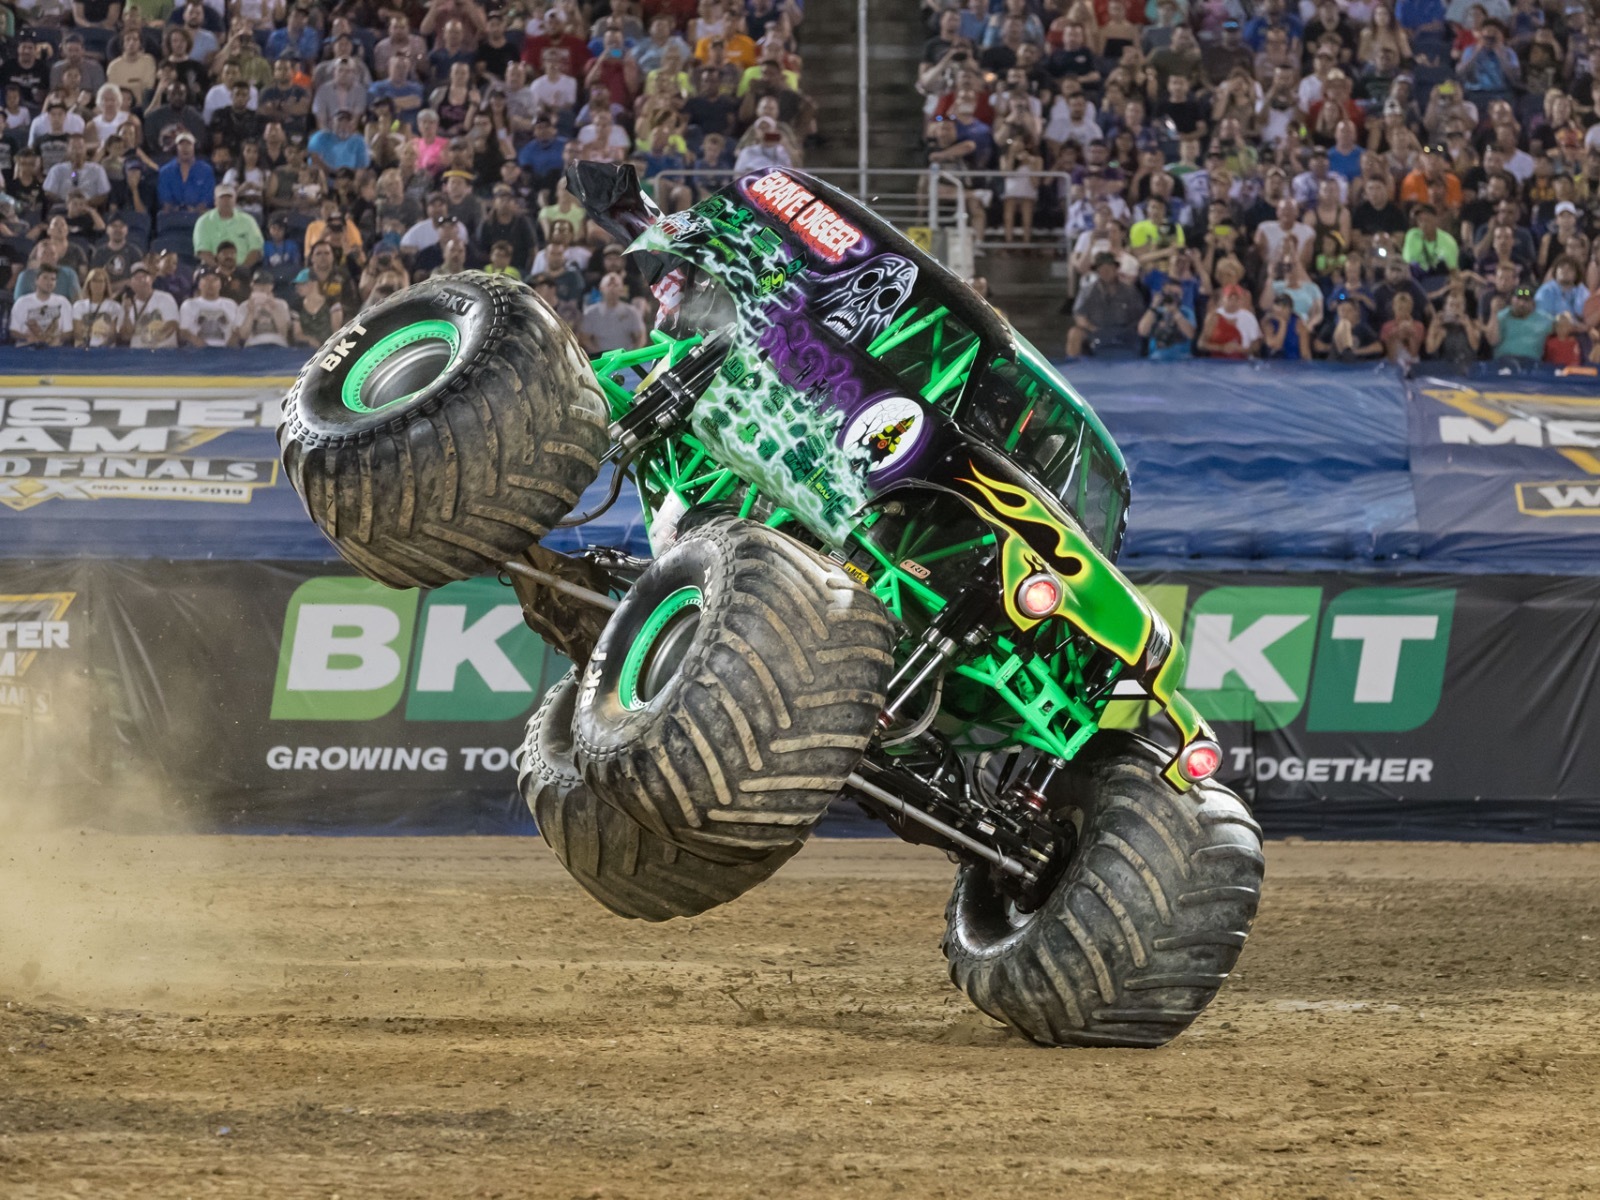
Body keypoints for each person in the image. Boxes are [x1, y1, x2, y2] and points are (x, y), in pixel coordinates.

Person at [1067, 251, 1146, 356]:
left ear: (1115, 269)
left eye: (1109, 267)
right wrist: (1093, 329)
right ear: (1097, 271)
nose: (1106, 271)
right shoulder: (1087, 291)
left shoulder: (1130, 291)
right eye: (1102, 268)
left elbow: (1140, 317)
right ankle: (1073, 366)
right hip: (1096, 332)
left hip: (1123, 333)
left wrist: (1126, 331)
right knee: (1074, 333)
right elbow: (1079, 315)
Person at [193, 182, 264, 269]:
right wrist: (220, 270)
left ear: (235, 200)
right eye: (222, 198)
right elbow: (203, 252)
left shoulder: (248, 220)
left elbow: (256, 250)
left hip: (243, 270)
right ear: (215, 201)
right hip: (213, 270)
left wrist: (241, 270)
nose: (226, 201)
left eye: (229, 197)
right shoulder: (203, 221)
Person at [579, 271, 648, 353]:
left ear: (622, 289)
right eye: (609, 285)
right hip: (602, 361)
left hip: (626, 359)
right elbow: (584, 338)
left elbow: (641, 337)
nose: (612, 288)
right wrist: (599, 355)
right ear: (601, 288)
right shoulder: (590, 313)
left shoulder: (632, 312)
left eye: (616, 285)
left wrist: (631, 355)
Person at [10, 265, 75, 346]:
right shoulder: (22, 302)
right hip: (26, 350)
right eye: (45, 278)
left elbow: (68, 332)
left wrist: (54, 338)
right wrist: (28, 338)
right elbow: (13, 331)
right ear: (36, 280)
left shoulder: (63, 302)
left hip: (54, 351)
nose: (49, 282)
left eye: (53, 279)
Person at [122, 263, 181, 349]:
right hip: (138, 355)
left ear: (151, 280)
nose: (142, 281)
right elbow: (125, 336)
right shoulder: (127, 304)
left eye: (145, 277)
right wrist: (126, 313)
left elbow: (172, 325)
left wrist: (152, 341)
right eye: (137, 278)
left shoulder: (165, 298)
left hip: (163, 353)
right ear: (131, 283)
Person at [1487, 283, 1554, 359]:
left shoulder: (1545, 319)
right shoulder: (1501, 316)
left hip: (1533, 364)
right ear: (1512, 300)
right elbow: (1492, 341)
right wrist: (1494, 312)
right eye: (1518, 299)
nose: (1521, 303)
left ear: (1533, 303)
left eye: (1526, 300)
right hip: (1504, 362)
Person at [1137, 277, 1196, 360]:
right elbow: (1142, 331)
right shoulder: (1155, 312)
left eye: (1176, 294)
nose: (1173, 297)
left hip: (1182, 360)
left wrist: (1176, 312)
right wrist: (1153, 306)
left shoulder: (1186, 312)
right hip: (1155, 360)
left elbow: (1191, 335)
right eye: (1169, 293)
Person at [179, 268, 240, 347]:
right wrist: (204, 346)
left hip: (225, 351)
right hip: (197, 351)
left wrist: (229, 348)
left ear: (220, 284)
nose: (210, 283)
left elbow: (237, 331)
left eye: (215, 280)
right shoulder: (189, 304)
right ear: (199, 284)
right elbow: (183, 332)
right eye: (206, 279)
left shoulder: (231, 304)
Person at [1314, 291, 1384, 359]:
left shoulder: (1363, 329)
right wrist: (1336, 348)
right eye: (1342, 310)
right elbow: (1318, 346)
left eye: (1349, 311)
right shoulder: (1330, 327)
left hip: (1357, 365)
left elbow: (1378, 347)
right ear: (1338, 312)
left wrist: (1356, 351)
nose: (1345, 314)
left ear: (1356, 313)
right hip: (1335, 364)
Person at [1198, 283, 1262, 357]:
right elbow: (1201, 343)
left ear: (1241, 300)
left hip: (1243, 362)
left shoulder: (1249, 317)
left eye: (1236, 299)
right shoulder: (1214, 316)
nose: (1233, 302)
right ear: (1223, 299)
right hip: (1217, 362)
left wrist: (1239, 349)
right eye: (1230, 298)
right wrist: (1221, 348)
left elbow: (1256, 346)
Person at [1425, 291, 1483, 367]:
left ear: (1464, 307)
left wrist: (1468, 326)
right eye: (1451, 305)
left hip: (1470, 367)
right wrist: (1433, 326)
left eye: (1458, 305)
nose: (1455, 308)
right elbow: (1430, 349)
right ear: (1445, 307)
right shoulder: (1442, 328)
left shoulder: (1473, 324)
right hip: (1448, 369)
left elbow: (1475, 347)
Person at [234, 270, 292, 346]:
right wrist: (250, 312)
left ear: (272, 286)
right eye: (258, 284)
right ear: (252, 285)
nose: (262, 287)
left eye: (266, 284)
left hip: (278, 344)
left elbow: (284, 332)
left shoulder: (281, 303)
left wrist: (274, 309)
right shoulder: (244, 305)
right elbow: (243, 336)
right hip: (253, 345)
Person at [72, 268, 123, 347]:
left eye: (101, 281)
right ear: (89, 283)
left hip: (106, 352)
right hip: (83, 351)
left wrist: (101, 347)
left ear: (106, 284)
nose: (97, 284)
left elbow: (113, 334)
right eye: (94, 281)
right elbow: (78, 334)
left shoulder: (115, 307)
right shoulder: (79, 306)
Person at [1380, 290, 1426, 365]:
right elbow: (1390, 355)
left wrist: (1411, 333)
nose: (1403, 312)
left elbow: (1413, 353)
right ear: (1393, 307)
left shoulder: (1419, 326)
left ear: (1411, 309)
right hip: (1393, 360)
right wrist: (1394, 335)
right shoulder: (1386, 326)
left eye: (1406, 309)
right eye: (1400, 308)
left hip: (1412, 360)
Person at [1261, 292, 1310, 359]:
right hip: (1273, 363)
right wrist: (1283, 323)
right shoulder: (1268, 322)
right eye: (1279, 305)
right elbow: (1275, 346)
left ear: (1290, 309)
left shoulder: (1298, 323)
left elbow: (1305, 353)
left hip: (1294, 364)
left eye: (1285, 307)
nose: (1282, 310)